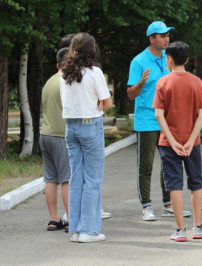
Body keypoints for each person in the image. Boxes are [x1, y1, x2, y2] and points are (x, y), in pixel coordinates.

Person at [127, 21, 191, 221]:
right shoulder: (139, 61)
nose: (166, 39)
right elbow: (130, 94)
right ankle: (147, 206)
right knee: (146, 166)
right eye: (162, 35)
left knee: (169, 164)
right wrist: (141, 83)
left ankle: (168, 204)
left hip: (168, 121)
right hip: (147, 120)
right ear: (151, 38)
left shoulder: (169, 59)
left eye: (168, 35)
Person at [153, 41, 202, 242]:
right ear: (187, 59)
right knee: (196, 182)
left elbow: (159, 115)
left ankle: (180, 230)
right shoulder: (197, 82)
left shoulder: (163, 83)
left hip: (169, 144)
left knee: (174, 184)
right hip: (192, 143)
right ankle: (198, 227)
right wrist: (191, 138)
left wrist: (173, 140)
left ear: (169, 58)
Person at [60, 33, 112, 243]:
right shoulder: (94, 72)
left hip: (71, 127)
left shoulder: (65, 71)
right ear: (92, 50)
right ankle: (88, 231)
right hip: (90, 125)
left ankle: (75, 228)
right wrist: (99, 103)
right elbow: (107, 103)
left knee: (76, 178)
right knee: (92, 179)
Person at [40, 48, 70, 232]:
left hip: (46, 134)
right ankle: (70, 218)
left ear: (57, 64)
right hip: (61, 135)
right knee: (67, 179)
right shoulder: (66, 82)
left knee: (51, 179)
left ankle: (54, 219)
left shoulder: (49, 81)